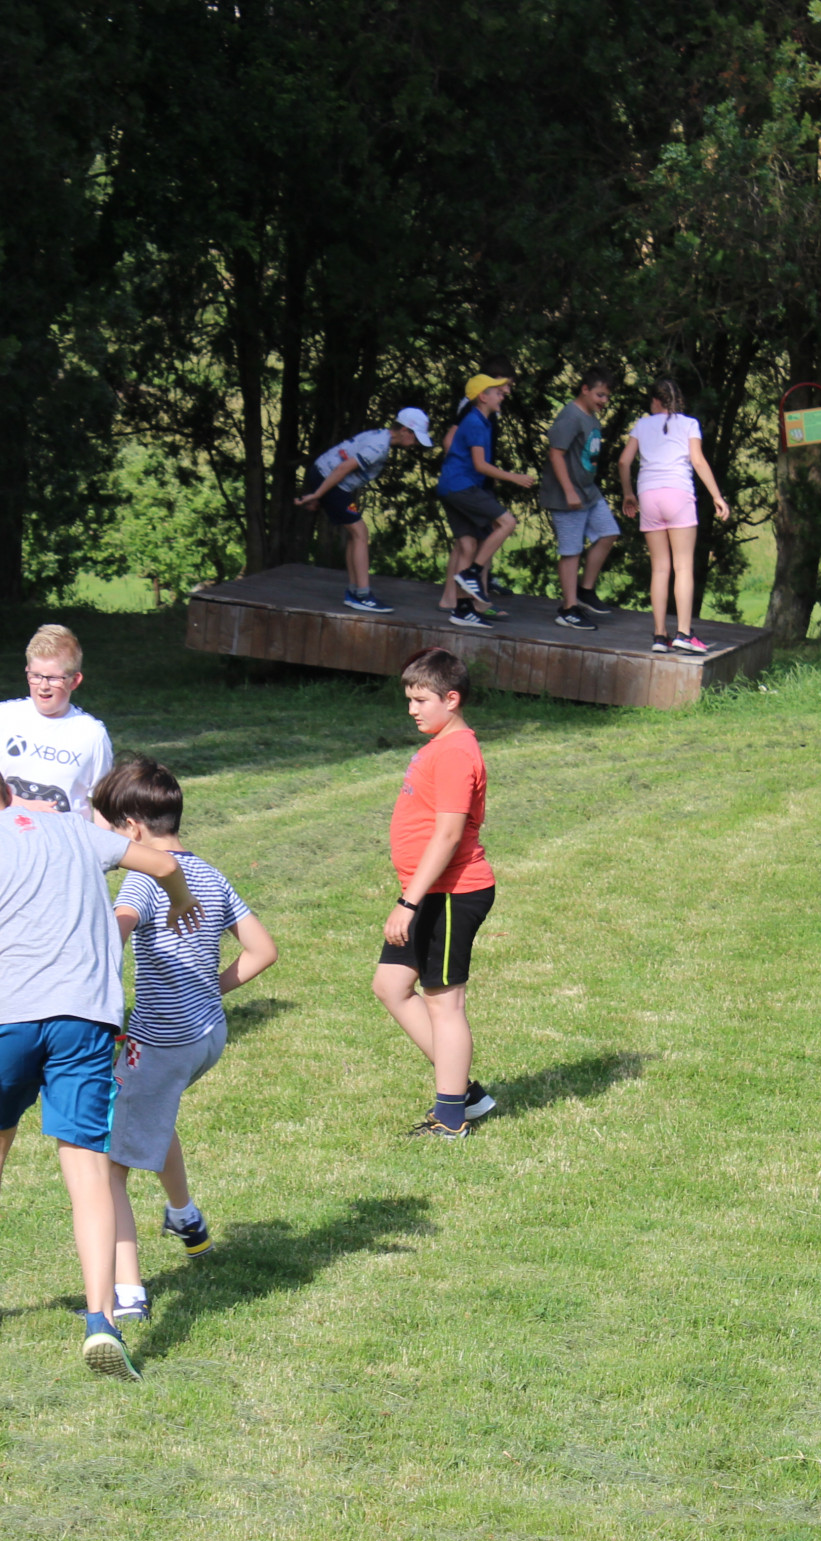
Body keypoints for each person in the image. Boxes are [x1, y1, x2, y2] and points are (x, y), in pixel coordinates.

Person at [0, 747, 203, 1382]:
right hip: (87, 1018)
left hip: (7, 1021)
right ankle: (101, 1318)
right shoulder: (74, 829)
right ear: (5, 791)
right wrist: (181, 900)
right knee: (86, 1164)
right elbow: (161, 862)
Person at [91, 754, 279, 1323]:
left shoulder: (143, 879)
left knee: (107, 1167)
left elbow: (115, 934)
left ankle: (128, 1295)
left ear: (132, 829)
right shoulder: (211, 874)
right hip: (208, 1037)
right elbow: (263, 951)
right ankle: (184, 1217)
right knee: (155, 1111)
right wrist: (208, 989)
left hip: (162, 1046)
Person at [373, 648, 498, 1137]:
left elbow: (447, 835)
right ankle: (466, 1093)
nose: (412, 710)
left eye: (421, 700)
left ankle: (451, 1119)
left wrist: (408, 902)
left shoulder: (455, 753)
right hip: (428, 891)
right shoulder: (440, 746)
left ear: (452, 699)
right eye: (409, 699)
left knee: (444, 1003)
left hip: (451, 892)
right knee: (390, 986)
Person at [617, 379, 731, 656]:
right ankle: (683, 633)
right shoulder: (689, 424)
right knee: (683, 567)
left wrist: (628, 494)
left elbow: (623, 461)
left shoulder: (642, 425)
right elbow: (698, 460)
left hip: (649, 496)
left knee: (659, 569)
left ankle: (659, 636)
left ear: (655, 401)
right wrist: (716, 496)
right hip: (678, 494)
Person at [0, 624, 113, 818]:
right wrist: (17, 803)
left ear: (75, 680)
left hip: (66, 836)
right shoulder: (4, 717)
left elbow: (103, 806)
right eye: (35, 676)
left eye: (53, 678)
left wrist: (102, 838)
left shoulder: (92, 734)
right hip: (6, 832)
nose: (43, 686)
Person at [295, 408, 432, 612]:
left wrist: (319, 492)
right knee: (360, 533)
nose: (415, 444)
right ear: (405, 430)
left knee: (356, 534)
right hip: (332, 481)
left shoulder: (380, 435)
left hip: (328, 478)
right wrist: (318, 494)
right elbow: (343, 468)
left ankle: (354, 592)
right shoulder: (379, 447)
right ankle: (362, 595)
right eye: (415, 438)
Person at [435, 375, 536, 627]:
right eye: (498, 393)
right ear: (483, 396)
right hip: (461, 487)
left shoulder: (482, 421)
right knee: (507, 523)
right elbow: (480, 465)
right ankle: (473, 573)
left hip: (451, 486)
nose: (503, 396)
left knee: (467, 545)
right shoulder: (476, 423)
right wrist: (513, 477)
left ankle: (462, 610)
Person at [541, 374, 621, 631]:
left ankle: (584, 591)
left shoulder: (590, 417)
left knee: (608, 533)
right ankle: (568, 609)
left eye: (607, 396)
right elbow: (556, 454)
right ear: (585, 389)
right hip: (567, 495)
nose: (604, 400)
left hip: (589, 491)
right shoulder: (570, 417)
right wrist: (569, 491)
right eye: (600, 395)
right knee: (571, 550)